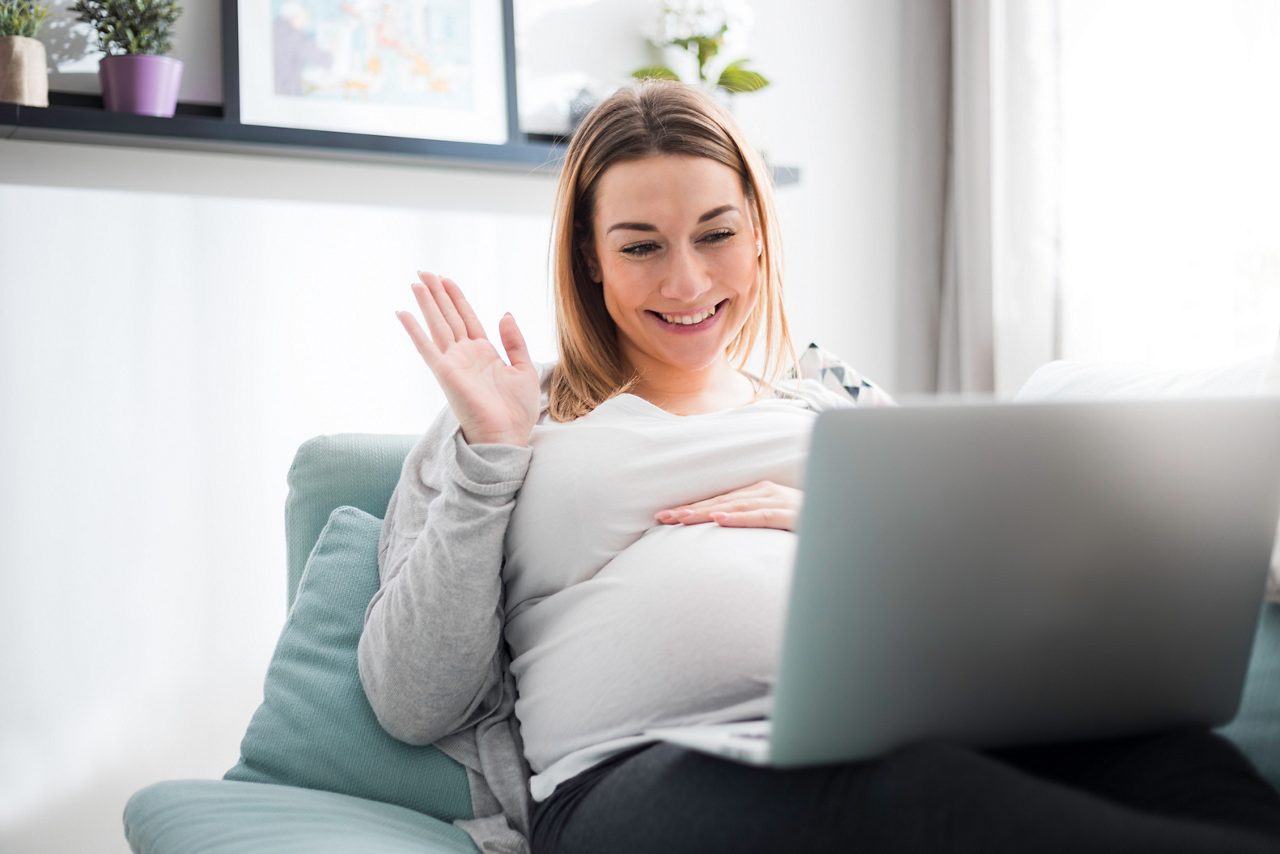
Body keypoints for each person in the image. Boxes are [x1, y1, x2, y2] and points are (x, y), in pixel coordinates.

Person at [358, 80, 1280, 854]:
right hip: (635, 772)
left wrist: (845, 525)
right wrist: (492, 454)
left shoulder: (832, 397)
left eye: (716, 233)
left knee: (1176, 759)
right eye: (641, 246)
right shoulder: (512, 416)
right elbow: (411, 696)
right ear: (590, 263)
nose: (686, 282)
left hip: (901, 724)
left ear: (758, 234)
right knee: (919, 797)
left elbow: (983, 593)